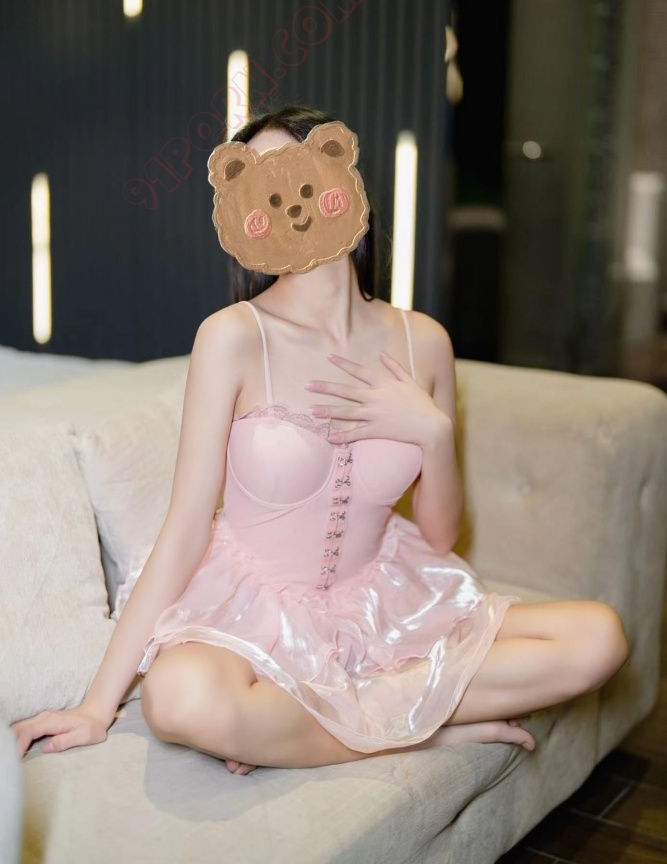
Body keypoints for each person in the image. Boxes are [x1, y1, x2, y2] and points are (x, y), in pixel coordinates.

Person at [11, 105, 630, 774]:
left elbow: (440, 536)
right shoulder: (232, 337)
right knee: (179, 698)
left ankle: (321, 718)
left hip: (381, 600)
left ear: (340, 177)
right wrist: (96, 707)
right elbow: (185, 526)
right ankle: (414, 725)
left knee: (597, 639)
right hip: (251, 610)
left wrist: (432, 432)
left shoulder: (422, 341)